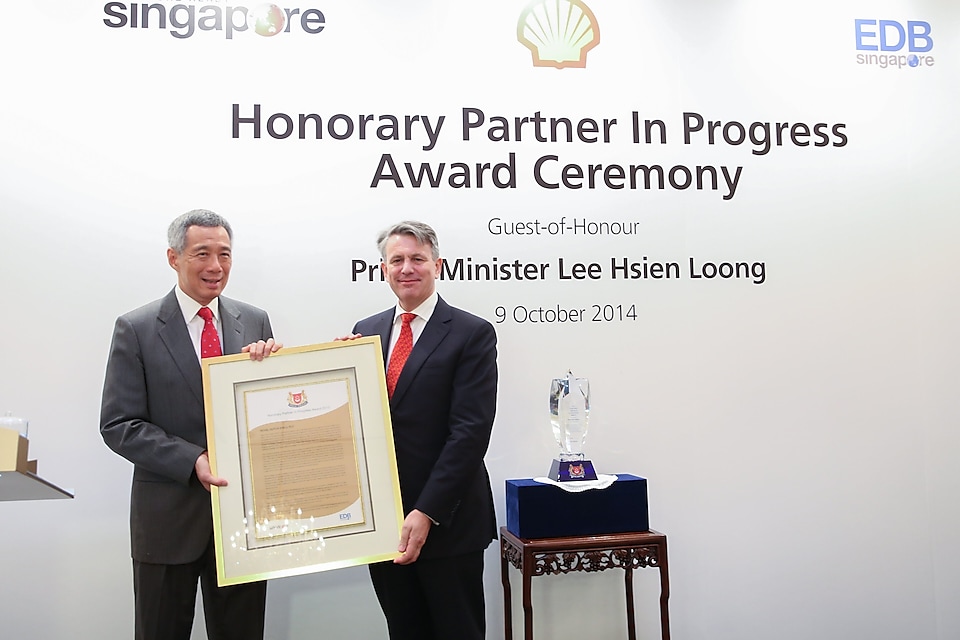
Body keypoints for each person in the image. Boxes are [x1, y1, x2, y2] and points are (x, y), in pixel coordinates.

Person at [100, 209, 281, 640]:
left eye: (225, 254)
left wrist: (276, 374)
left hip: (243, 524)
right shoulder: (136, 328)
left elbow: (268, 412)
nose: (215, 267)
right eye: (202, 253)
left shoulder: (254, 321)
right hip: (167, 523)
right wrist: (193, 460)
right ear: (173, 257)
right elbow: (119, 423)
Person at [346, 220, 498, 640]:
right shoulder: (365, 332)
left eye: (417, 258)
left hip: (448, 521)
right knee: (404, 631)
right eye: (397, 260)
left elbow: (469, 433)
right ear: (383, 269)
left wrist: (427, 510)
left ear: (438, 265)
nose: (407, 268)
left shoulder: (472, 333)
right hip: (384, 522)